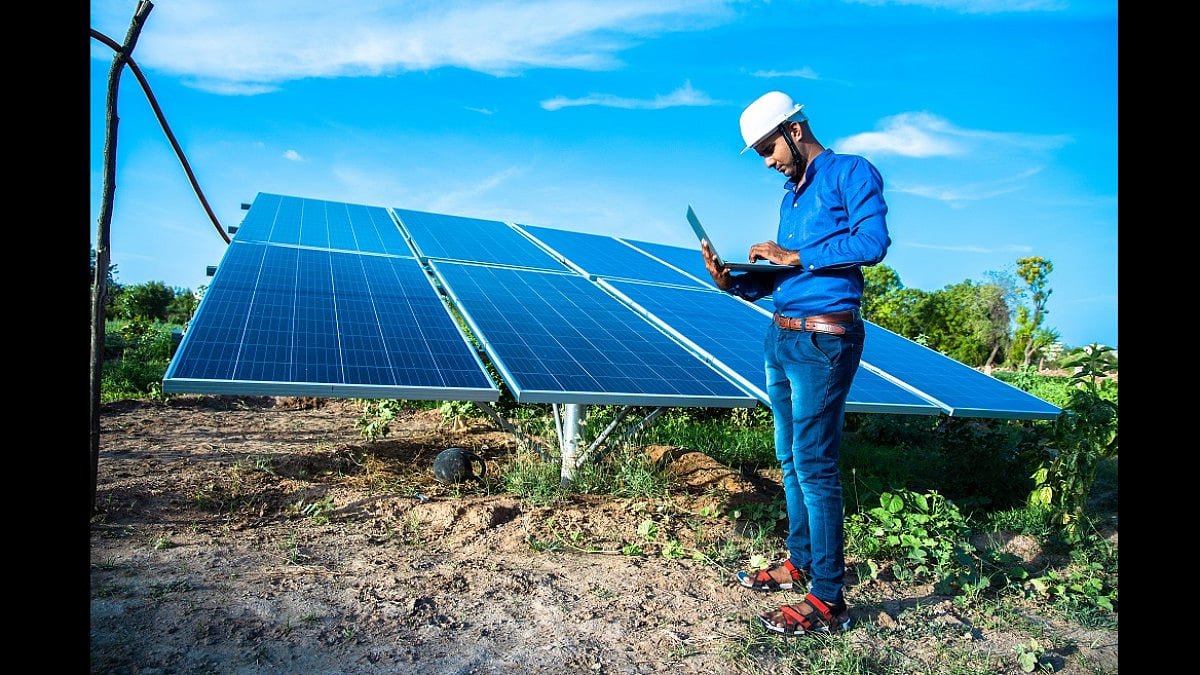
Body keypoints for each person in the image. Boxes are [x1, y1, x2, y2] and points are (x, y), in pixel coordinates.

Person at [701, 91, 891, 637]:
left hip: (823, 342)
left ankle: (829, 597)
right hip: (780, 338)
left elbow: (873, 241)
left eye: (767, 149)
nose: (767, 162)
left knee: (814, 463)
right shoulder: (791, 195)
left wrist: (797, 256)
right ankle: (801, 559)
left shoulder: (852, 173)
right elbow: (785, 277)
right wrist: (735, 282)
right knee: (788, 458)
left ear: (794, 129)